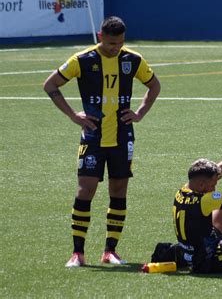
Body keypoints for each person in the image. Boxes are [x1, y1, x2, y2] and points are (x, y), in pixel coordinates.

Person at [43, 16, 161, 268]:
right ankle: (77, 253)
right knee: (85, 190)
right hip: (93, 136)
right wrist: (73, 115)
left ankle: (110, 251)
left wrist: (139, 113)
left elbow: (154, 86)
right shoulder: (82, 60)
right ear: (100, 37)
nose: (114, 48)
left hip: (122, 136)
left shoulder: (133, 59)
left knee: (118, 191)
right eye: (109, 44)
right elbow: (50, 85)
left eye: (118, 43)